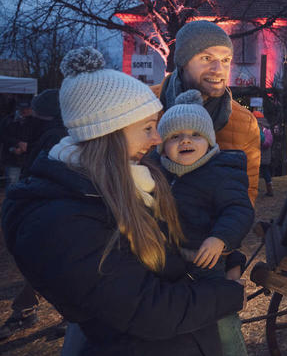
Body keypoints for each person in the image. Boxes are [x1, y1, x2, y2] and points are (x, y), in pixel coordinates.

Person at [1, 47, 244, 355]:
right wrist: (229, 293)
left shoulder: (111, 188)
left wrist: (213, 254)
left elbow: (155, 259)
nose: (157, 139)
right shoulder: (64, 220)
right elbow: (149, 311)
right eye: (146, 128)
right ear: (109, 134)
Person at [157, 89, 254, 356]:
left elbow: (238, 209)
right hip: (169, 266)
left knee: (221, 323)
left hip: (207, 263)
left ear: (210, 141)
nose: (185, 141)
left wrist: (219, 238)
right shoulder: (157, 173)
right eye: (175, 136)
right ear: (162, 144)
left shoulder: (220, 173)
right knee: (178, 326)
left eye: (195, 135)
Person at [152, 20, 260, 204]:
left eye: (225, 60)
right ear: (183, 62)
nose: (218, 70)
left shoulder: (244, 122)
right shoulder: (146, 106)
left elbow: (245, 195)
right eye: (207, 58)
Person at [0, 89, 69, 341]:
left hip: (55, 214)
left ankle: (64, 316)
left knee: (56, 266)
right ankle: (27, 311)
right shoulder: (49, 133)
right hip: (44, 212)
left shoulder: (56, 136)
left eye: (36, 113)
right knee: (43, 266)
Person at [254, 111, 274, 196]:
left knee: (255, 171)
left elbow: (261, 141)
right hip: (266, 154)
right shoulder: (267, 127)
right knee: (265, 171)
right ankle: (270, 190)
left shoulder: (258, 127)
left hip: (259, 153)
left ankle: (254, 188)